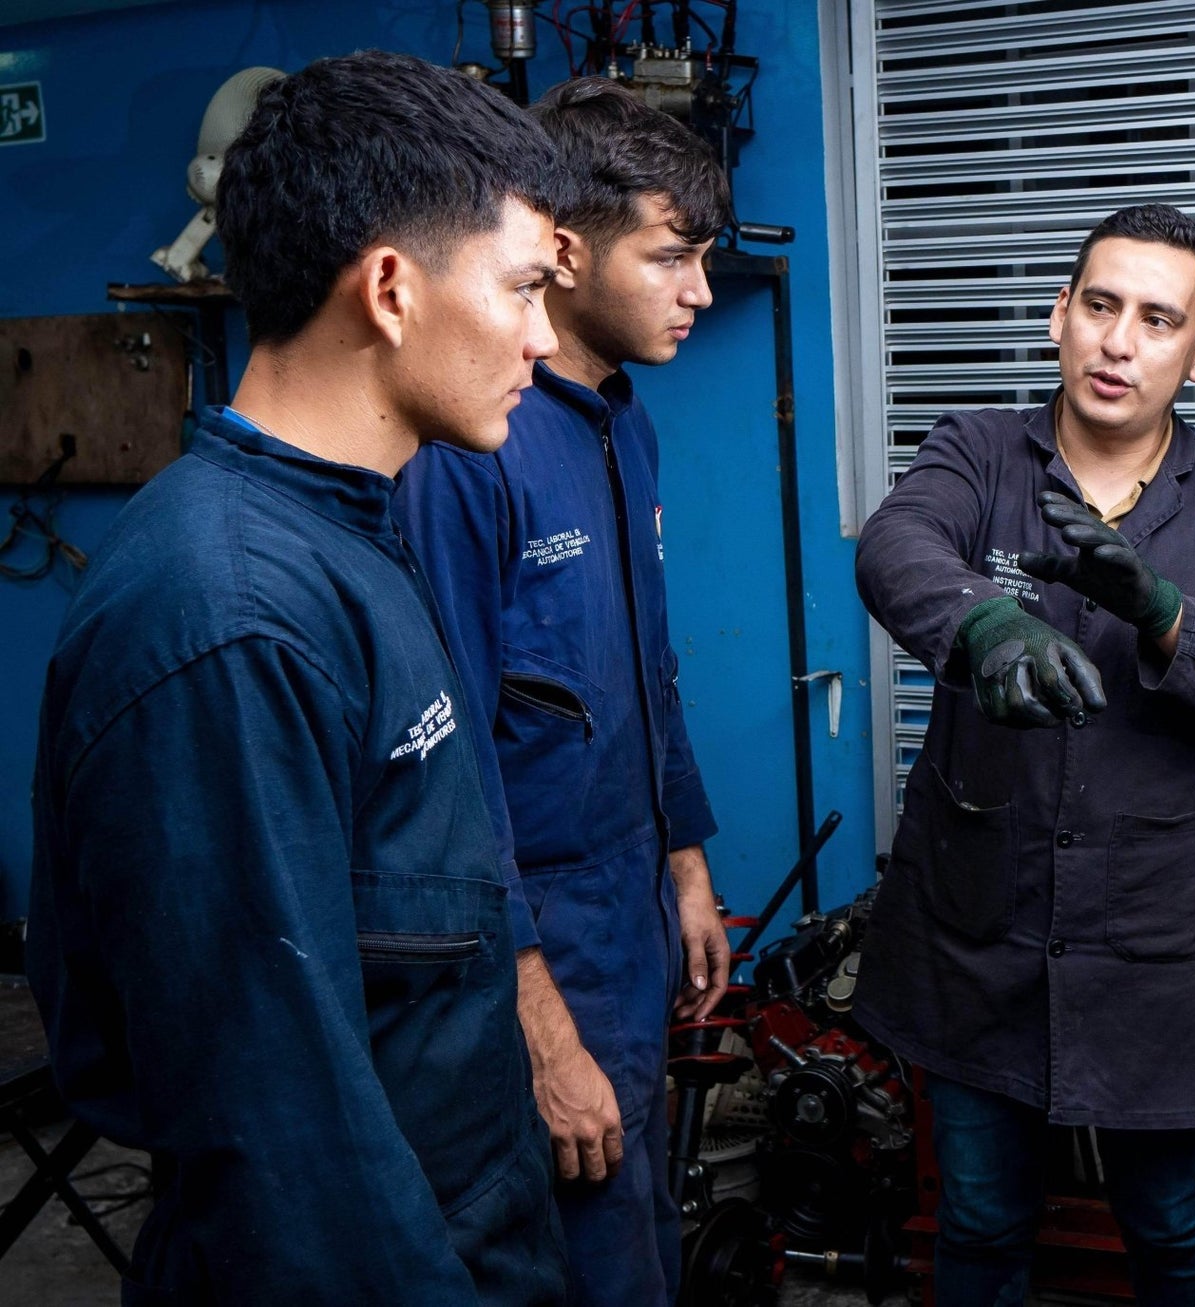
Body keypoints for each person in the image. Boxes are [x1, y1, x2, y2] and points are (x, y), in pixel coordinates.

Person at [28, 50, 568, 1303]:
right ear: (389, 286)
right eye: (526, 287)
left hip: (474, 1225)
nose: (543, 337)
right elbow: (287, 1152)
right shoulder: (226, 613)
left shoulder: (349, 530)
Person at [851, 204, 1195, 1307]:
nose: (1118, 341)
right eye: (1099, 305)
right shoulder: (979, 449)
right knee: (975, 1215)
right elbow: (895, 545)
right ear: (1059, 314)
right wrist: (986, 623)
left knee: (1169, 1225)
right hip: (978, 932)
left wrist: (1163, 613)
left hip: (1153, 943)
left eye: (1157, 319)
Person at [393, 77, 730, 1307]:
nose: (697, 290)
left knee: (641, 1234)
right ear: (570, 251)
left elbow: (649, 665)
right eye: (672, 256)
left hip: (630, 901)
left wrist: (685, 863)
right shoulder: (472, 451)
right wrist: (539, 1027)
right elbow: (447, 777)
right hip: (532, 943)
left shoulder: (619, 423)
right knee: (576, 1260)